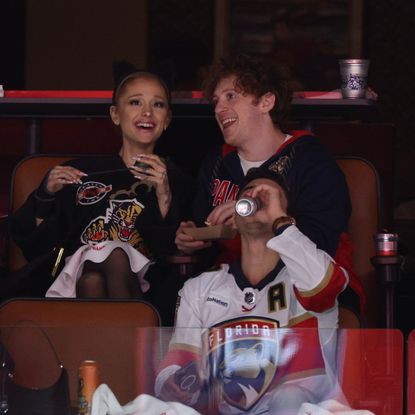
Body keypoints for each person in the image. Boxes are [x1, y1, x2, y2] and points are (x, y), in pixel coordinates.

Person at [175, 53, 364, 320]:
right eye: (216, 101)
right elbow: (203, 229)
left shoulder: (309, 157)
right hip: (235, 287)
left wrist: (256, 216)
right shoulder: (216, 162)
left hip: (308, 284)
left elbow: (322, 240)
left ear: (266, 101)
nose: (218, 109)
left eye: (230, 96)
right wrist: (193, 237)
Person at [156, 168, 349, 414]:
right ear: (235, 217)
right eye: (248, 195)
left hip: (299, 411)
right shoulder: (200, 289)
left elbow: (324, 288)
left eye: (270, 198)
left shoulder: (309, 275)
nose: (257, 201)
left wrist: (279, 219)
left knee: (289, 397)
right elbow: (178, 361)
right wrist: (170, 382)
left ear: (288, 219)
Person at [8, 66, 193, 319]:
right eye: (135, 102)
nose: (147, 112)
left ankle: (102, 356)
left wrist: (164, 193)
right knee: (95, 271)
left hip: (146, 283)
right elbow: (35, 245)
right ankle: (132, 352)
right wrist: (45, 194)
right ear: (116, 114)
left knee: (95, 278)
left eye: (158, 105)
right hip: (72, 282)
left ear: (167, 119)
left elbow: (174, 250)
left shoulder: (176, 178)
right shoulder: (83, 171)